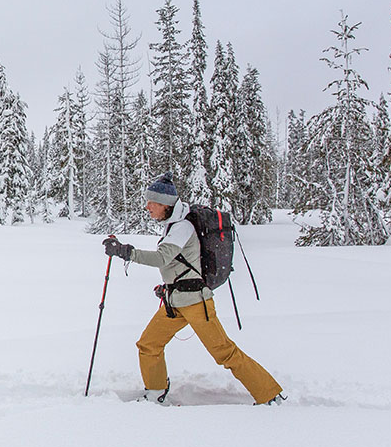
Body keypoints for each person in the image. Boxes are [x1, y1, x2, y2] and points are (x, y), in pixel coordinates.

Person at [104, 173, 285, 406]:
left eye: (152, 202)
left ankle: (269, 393)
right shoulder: (172, 226)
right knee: (149, 345)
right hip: (176, 302)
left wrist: (125, 252)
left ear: (165, 205)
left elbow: (162, 257)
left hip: (196, 304)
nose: (147, 206)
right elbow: (179, 263)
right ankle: (155, 391)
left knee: (224, 352)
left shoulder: (182, 227)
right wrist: (168, 286)